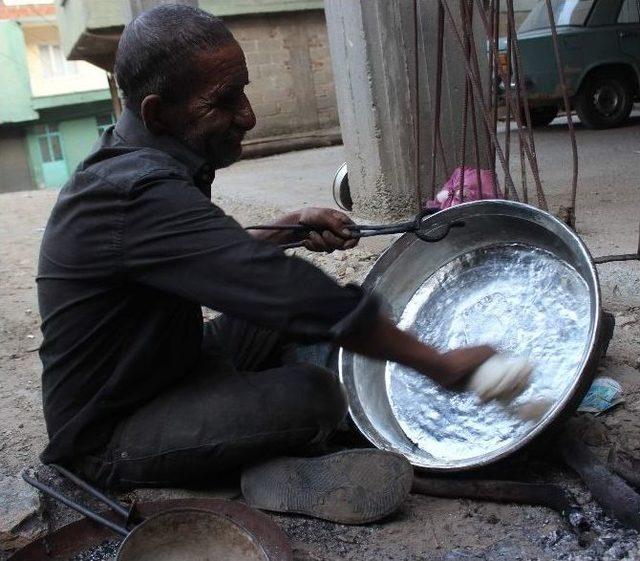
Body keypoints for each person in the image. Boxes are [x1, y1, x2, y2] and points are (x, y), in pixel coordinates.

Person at [36, 5, 494, 524]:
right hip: (111, 427)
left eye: (243, 90)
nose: (249, 115)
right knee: (316, 392)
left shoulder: (131, 155)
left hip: (169, 362)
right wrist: (438, 363)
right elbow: (286, 290)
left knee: (302, 327)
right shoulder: (131, 192)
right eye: (224, 101)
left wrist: (287, 226)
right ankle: (256, 469)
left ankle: (245, 431)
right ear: (157, 113)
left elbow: (202, 254)